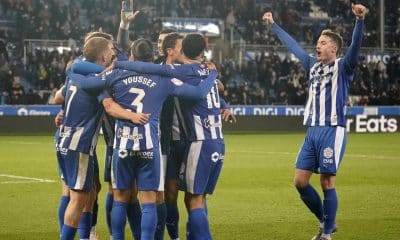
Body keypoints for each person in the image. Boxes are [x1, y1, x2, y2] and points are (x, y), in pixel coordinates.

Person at [68, 38, 218, 240]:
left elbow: (82, 77)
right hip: (149, 145)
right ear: (151, 58)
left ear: (131, 57)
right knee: (149, 201)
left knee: (120, 197)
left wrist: (73, 73)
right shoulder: (163, 79)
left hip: (123, 145)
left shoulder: (116, 74)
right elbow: (197, 92)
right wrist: (212, 75)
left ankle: (116, 237)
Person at [263, 3, 367, 240]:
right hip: (312, 131)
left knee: (327, 181)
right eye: (318, 43)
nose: (317, 46)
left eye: (322, 43)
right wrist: (274, 26)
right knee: (300, 181)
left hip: (333, 129)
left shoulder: (343, 67)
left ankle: (326, 234)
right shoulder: (312, 66)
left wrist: (360, 21)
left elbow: (355, 47)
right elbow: (293, 46)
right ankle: (325, 220)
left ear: (334, 48)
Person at [113, 33, 227, 240]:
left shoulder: (179, 70)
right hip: (210, 141)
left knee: (193, 200)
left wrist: (118, 66)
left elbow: (144, 67)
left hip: (195, 142)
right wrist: (213, 77)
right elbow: (209, 89)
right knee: (190, 198)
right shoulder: (204, 69)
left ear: (179, 50)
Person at [57, 36, 148, 240]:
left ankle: (86, 236)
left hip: (64, 139)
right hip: (78, 144)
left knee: (85, 192)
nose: (114, 53)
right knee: (78, 198)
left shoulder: (75, 71)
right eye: (111, 50)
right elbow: (109, 106)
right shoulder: (96, 82)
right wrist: (132, 115)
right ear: (104, 55)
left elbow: (60, 96)